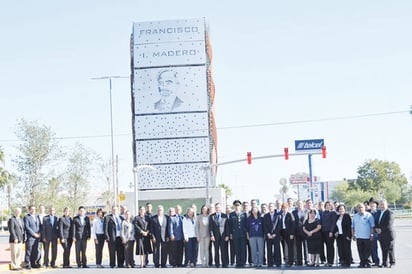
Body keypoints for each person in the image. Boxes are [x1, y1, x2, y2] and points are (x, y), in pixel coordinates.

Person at [352, 203, 375, 268]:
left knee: (367, 250)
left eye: (361, 207)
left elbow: (372, 226)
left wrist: (372, 234)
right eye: (359, 207)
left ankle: (368, 262)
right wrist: (353, 235)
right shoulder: (355, 216)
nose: (360, 209)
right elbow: (353, 227)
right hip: (358, 236)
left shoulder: (369, 215)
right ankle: (362, 262)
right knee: (360, 250)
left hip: (367, 236)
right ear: (357, 209)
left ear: (364, 208)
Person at [375, 199, 395, 268]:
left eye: (383, 204)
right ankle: (384, 263)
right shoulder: (378, 212)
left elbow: (389, 223)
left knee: (390, 249)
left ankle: (392, 262)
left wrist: (381, 229)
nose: (382, 206)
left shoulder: (389, 212)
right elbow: (376, 222)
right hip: (381, 234)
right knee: (383, 249)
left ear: (386, 205)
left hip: (388, 234)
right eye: (380, 204)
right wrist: (376, 229)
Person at [209, 202, 229, 268]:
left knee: (224, 250)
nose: (217, 208)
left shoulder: (225, 215)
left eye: (219, 207)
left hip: (223, 236)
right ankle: (217, 263)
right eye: (216, 207)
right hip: (215, 236)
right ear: (215, 208)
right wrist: (211, 235)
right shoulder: (212, 216)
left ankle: (224, 263)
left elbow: (227, 227)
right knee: (216, 250)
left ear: (221, 208)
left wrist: (227, 235)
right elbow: (210, 227)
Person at [228, 200, 247, 267]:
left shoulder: (244, 214)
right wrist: (230, 234)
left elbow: (246, 224)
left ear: (240, 206)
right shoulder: (231, 214)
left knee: (243, 248)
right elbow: (230, 225)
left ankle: (243, 262)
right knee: (237, 248)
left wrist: (246, 233)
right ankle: (238, 262)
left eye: (238, 205)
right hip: (235, 234)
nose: (237, 207)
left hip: (242, 234)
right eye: (235, 205)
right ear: (234, 206)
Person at [263, 202, 282, 267]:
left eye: (272, 206)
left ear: (274, 207)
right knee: (269, 249)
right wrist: (268, 234)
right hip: (268, 235)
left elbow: (279, 226)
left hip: (276, 235)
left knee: (277, 249)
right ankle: (270, 263)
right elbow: (264, 226)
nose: (270, 208)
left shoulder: (278, 215)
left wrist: (275, 234)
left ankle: (278, 263)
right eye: (269, 206)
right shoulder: (266, 216)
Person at [24, 205, 40, 269]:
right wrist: (34, 234)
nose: (33, 210)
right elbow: (27, 227)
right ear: (29, 210)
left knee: (34, 251)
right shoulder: (26, 217)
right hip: (30, 237)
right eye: (31, 209)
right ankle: (27, 264)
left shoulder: (37, 217)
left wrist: (39, 233)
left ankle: (33, 263)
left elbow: (39, 226)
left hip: (37, 237)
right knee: (29, 251)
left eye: (34, 209)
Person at [292, 200, 308, 266]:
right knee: (298, 247)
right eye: (298, 204)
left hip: (305, 232)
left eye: (300, 204)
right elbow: (293, 223)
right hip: (297, 232)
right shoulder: (294, 212)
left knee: (305, 247)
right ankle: (299, 261)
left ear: (303, 204)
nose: (299, 205)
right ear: (296, 205)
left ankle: (307, 260)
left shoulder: (306, 211)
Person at [321, 201, 336, 267]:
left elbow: (333, 223)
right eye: (326, 205)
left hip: (329, 232)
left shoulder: (333, 213)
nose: (328, 206)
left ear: (331, 206)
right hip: (323, 231)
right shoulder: (323, 213)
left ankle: (330, 261)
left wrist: (331, 231)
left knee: (330, 247)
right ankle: (327, 261)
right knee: (326, 247)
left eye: (329, 205)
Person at [368, 200, 380, 266]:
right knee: (373, 247)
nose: (372, 207)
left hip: (380, 232)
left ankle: (386, 261)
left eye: (374, 206)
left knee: (384, 248)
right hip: (372, 232)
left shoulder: (379, 212)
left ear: (376, 206)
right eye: (371, 206)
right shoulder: (367, 213)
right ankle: (376, 261)